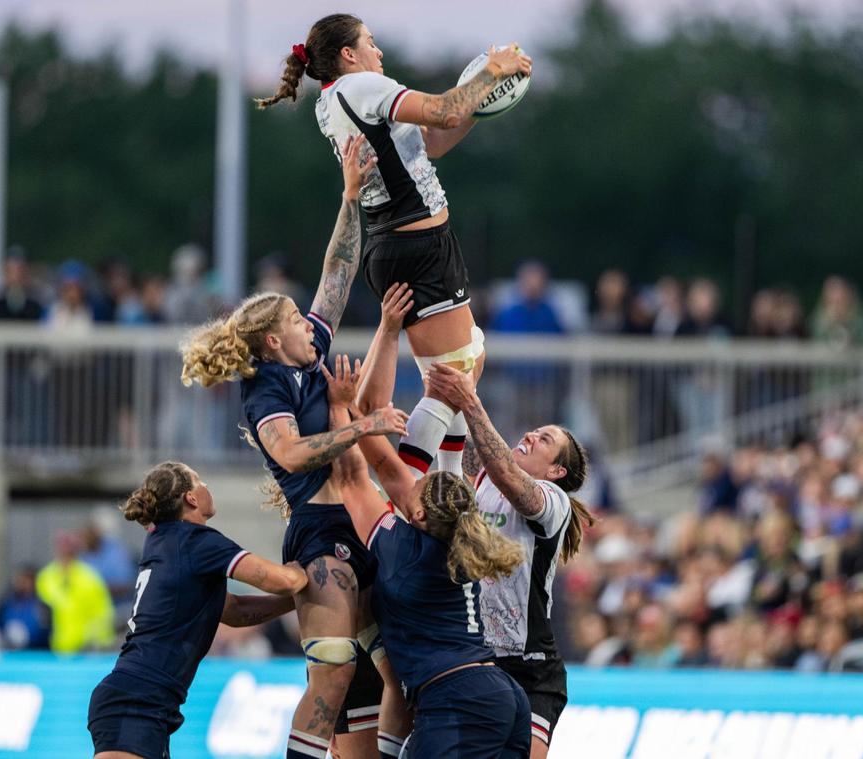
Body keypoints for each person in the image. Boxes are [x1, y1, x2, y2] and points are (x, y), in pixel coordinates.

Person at [181, 135, 410, 759]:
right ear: (273, 342)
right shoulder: (266, 388)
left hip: (366, 526)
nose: (310, 326)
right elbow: (288, 454)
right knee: (332, 676)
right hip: (320, 531)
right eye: (294, 321)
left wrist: (350, 197)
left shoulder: (305, 357)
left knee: (398, 678)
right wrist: (361, 426)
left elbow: (336, 274)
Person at [258, 13, 533, 484]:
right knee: (457, 374)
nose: (378, 51)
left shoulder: (335, 99)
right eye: (370, 42)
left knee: (460, 368)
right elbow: (445, 109)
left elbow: (434, 140)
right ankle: (411, 493)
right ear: (349, 55)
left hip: (405, 243)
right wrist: (493, 69)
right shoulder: (360, 87)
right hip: (416, 244)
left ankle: (449, 489)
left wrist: (480, 101)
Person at [357, 288, 596, 758]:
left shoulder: (552, 501)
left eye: (545, 439)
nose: (531, 433)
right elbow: (440, 461)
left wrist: (468, 397)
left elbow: (508, 477)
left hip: (528, 667)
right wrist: (459, 367)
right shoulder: (480, 478)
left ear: (557, 471)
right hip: (473, 655)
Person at [322, 357, 530, 758]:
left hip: (458, 702)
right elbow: (388, 469)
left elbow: (352, 479)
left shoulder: (403, 551)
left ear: (417, 515)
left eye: (414, 492)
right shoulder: (467, 542)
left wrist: (340, 407)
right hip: (503, 698)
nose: (405, 488)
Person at [87, 461, 307, 759]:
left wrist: (295, 600)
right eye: (200, 481)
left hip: (142, 698)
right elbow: (284, 580)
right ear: (190, 498)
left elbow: (233, 611)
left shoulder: (163, 540)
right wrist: (319, 565)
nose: (206, 487)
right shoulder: (196, 541)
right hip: (137, 700)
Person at [36, 530, 114, 654]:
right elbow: (41, 614)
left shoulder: (90, 578)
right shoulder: (46, 577)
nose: (65, 553)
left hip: (84, 648)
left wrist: (99, 643)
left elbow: (103, 613)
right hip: (54, 648)